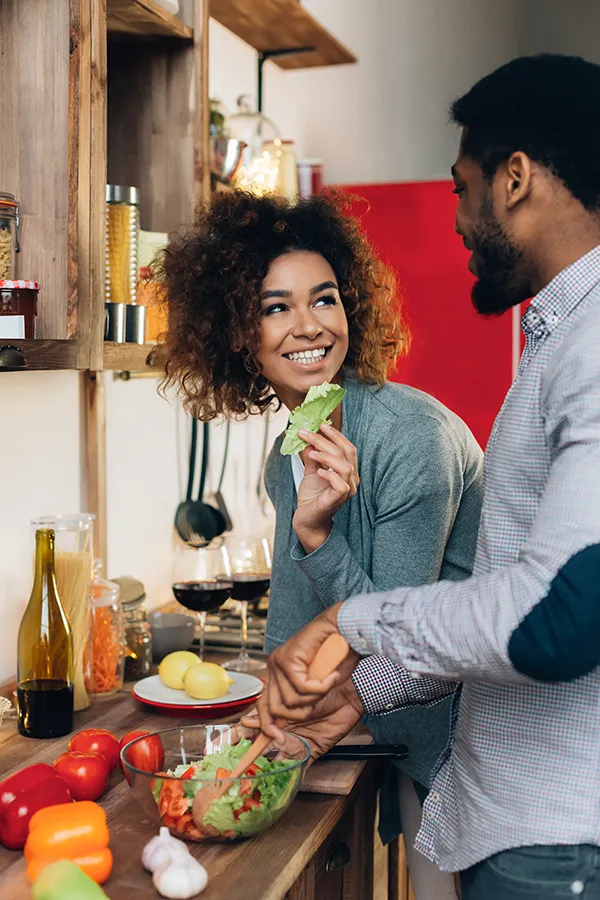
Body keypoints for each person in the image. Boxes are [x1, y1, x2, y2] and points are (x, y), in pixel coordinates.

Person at [256, 53, 600, 900]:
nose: (454, 219)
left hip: (557, 839)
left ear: (513, 179)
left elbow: (555, 621)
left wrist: (351, 618)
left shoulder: (590, 347)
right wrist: (358, 690)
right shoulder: (558, 341)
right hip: (516, 823)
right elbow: (496, 603)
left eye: (460, 187)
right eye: (273, 307)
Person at [159, 189, 483, 899]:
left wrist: (316, 534)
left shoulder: (412, 440)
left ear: (351, 309)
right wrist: (272, 711)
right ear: (239, 333)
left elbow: (402, 634)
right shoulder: (291, 450)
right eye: (275, 306)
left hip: (467, 745)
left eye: (324, 299)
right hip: (386, 719)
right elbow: (302, 626)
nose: (307, 325)